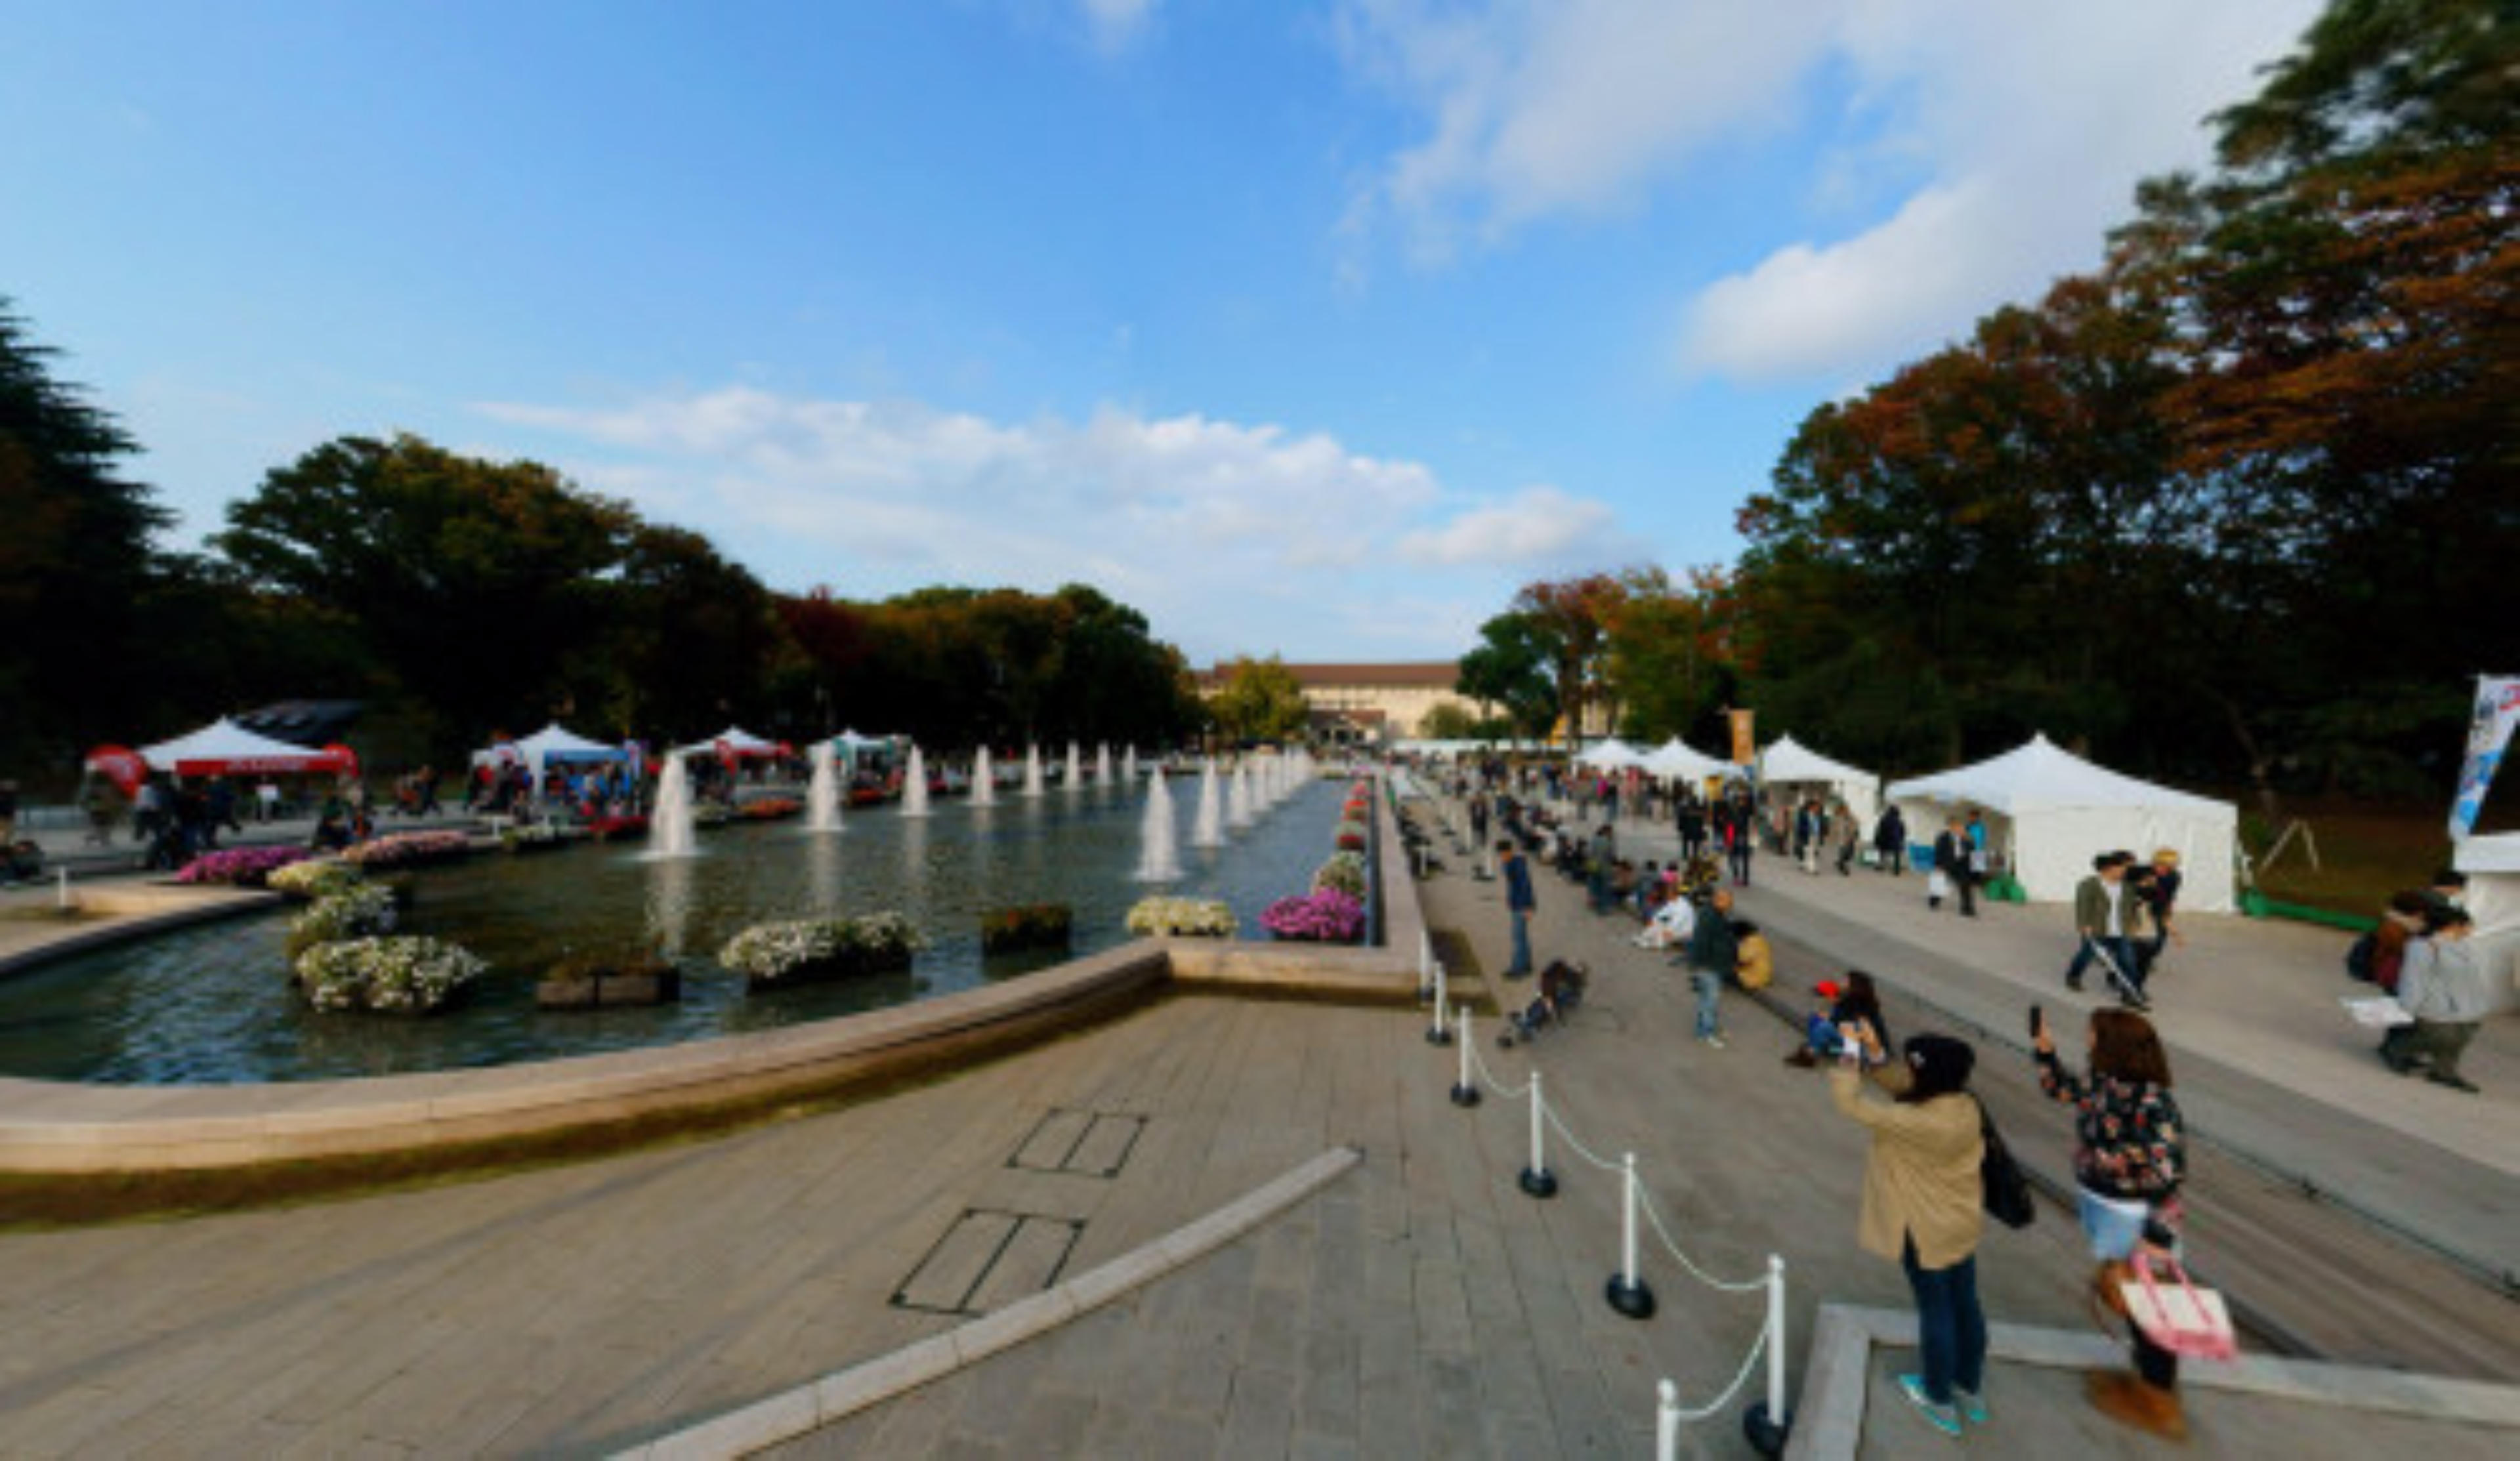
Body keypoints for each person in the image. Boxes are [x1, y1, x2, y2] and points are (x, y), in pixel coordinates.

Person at [2034, 1007, 2188, 1439]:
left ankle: (2158, 1399)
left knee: (2151, 1310)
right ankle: (2145, 1384)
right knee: (2131, 1300)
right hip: (2105, 1207)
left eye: (2093, 1034)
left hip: (2135, 1215)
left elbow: (2168, 1172)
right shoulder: (2105, 1082)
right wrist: (2045, 1052)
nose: (2086, 1038)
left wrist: (2155, 1237)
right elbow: (2060, 1089)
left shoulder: (2154, 1101)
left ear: (2113, 1045)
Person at [1831, 1027, 1989, 1437]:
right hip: (1959, 1222)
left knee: (1935, 1310)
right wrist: (1875, 1051)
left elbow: (1851, 1104)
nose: (1908, 1072)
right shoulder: (1966, 1106)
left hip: (1924, 1229)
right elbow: (1906, 1085)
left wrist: (1849, 1053)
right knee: (1966, 1305)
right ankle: (1968, 1389)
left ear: (1928, 1075)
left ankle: (1938, 1399)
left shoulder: (1916, 1122)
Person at [2382, 905, 2485, 1092]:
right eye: (2468, 924)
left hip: (2464, 1006)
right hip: (2433, 1006)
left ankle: (2444, 1072)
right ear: (2454, 925)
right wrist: (2408, 1007)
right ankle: (2400, 1048)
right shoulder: (2423, 947)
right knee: (2443, 1036)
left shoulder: (2465, 948)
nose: (2471, 929)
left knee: (2462, 1036)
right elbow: (2414, 980)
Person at [2065, 853, 2145, 1005]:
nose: (2123, 871)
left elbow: (2131, 907)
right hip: (2097, 929)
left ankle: (2129, 993)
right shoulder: (2088, 885)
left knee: (2128, 961)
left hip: (2121, 931)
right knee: (2085, 957)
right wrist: (2084, 925)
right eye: (2120, 868)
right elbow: (2082, 905)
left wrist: (2135, 923)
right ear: (2107, 869)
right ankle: (2074, 976)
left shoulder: (2127, 886)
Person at [1788, 972, 1893, 1068]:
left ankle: (1812, 1053)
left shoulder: (1858, 1004)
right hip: (1854, 1045)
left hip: (1865, 1051)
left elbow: (1847, 1027)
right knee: (1816, 1021)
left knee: (1824, 1027)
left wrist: (1832, 1015)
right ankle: (1820, 1049)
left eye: (1845, 981)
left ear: (1853, 986)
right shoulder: (1848, 1000)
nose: (1841, 982)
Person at [1683, 888, 1738, 1047]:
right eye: (1728, 901)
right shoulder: (1710, 918)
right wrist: (1698, 966)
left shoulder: (1715, 915)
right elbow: (1702, 943)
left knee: (1705, 1000)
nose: (1730, 905)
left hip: (1712, 965)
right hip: (1709, 967)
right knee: (1710, 1001)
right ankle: (1707, 1033)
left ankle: (1704, 1029)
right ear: (1718, 900)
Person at [2137, 849, 2185, 976]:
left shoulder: (2174, 877)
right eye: (2160, 865)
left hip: (2159, 907)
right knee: (2139, 938)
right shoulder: (2144, 872)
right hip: (2141, 906)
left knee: (2160, 938)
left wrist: (2168, 912)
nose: (2162, 868)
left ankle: (2147, 958)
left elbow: (2169, 896)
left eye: (2168, 866)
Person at [1500, 839, 1536, 979]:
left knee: (1518, 937)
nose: (1502, 858)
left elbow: (1526, 887)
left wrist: (1527, 907)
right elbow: (1513, 885)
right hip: (1517, 904)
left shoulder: (1518, 865)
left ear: (1509, 852)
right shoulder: (1512, 863)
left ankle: (1518, 968)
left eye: (1503, 855)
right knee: (1522, 936)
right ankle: (1526, 964)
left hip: (1522, 905)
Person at [1929, 817, 1976, 916]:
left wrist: (1968, 839)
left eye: (1961, 827)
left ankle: (1967, 909)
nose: (1959, 829)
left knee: (1965, 885)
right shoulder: (1943, 837)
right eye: (1956, 827)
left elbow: (1973, 851)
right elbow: (1938, 851)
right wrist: (1938, 865)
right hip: (1947, 863)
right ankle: (1934, 900)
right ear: (1951, 827)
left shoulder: (1966, 838)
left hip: (1961, 865)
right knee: (1941, 883)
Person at [1874, 804, 1907, 875]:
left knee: (1881, 851)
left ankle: (1880, 865)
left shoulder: (1884, 819)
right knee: (1897, 854)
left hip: (1885, 842)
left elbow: (1880, 831)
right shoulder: (1899, 821)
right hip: (1896, 843)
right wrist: (1901, 840)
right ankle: (1896, 869)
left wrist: (1877, 841)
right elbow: (1903, 832)